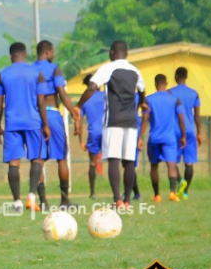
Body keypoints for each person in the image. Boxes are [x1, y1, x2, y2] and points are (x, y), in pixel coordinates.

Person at [77, 41, 147, 209]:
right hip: (131, 122)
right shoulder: (135, 71)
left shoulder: (108, 68)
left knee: (114, 160)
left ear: (112, 52)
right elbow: (143, 92)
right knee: (129, 161)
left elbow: (92, 87)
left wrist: (78, 105)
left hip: (113, 121)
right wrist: (138, 106)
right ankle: (128, 200)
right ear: (127, 53)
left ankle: (117, 200)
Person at [0, 43, 49, 211]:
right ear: (25, 55)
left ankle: (17, 202)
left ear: (11, 56)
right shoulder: (37, 74)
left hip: (12, 123)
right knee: (37, 159)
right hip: (33, 122)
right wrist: (45, 124)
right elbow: (41, 101)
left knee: (13, 163)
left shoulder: (3, 75)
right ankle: (31, 196)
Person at [31, 41, 82, 208]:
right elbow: (62, 92)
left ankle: (43, 201)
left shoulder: (30, 69)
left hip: (35, 117)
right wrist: (74, 112)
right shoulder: (54, 68)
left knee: (37, 159)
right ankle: (64, 200)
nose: (54, 54)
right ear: (47, 52)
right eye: (53, 51)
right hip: (52, 113)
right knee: (61, 157)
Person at [142, 74, 186, 203]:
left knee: (154, 167)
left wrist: (139, 138)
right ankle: (172, 192)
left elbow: (145, 119)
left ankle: (157, 195)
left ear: (156, 84)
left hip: (154, 138)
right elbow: (181, 119)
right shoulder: (175, 99)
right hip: (169, 138)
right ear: (166, 84)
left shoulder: (149, 100)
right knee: (171, 166)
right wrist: (183, 136)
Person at [169, 67, 203, 198]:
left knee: (172, 160)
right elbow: (197, 115)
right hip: (189, 130)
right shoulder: (194, 93)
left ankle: (180, 181)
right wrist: (199, 132)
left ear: (176, 76)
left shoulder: (170, 92)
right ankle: (185, 191)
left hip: (175, 131)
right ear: (186, 77)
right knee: (189, 162)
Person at [78, 74, 105, 199]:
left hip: (94, 132)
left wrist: (80, 140)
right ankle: (119, 193)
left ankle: (92, 192)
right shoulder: (106, 96)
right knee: (115, 161)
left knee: (93, 163)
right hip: (108, 131)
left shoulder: (84, 100)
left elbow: (79, 120)